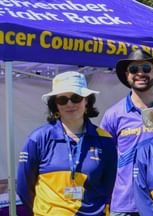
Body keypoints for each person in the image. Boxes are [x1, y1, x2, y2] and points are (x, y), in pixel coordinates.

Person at [17, 71, 117, 215]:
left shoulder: (104, 139)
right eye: (62, 100)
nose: (70, 104)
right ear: (55, 104)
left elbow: (109, 186)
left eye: (76, 98)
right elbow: (23, 187)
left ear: (86, 100)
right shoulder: (38, 138)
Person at [100, 49, 153, 215]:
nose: (140, 73)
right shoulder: (113, 115)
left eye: (146, 68)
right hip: (125, 205)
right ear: (127, 75)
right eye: (134, 70)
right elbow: (103, 160)